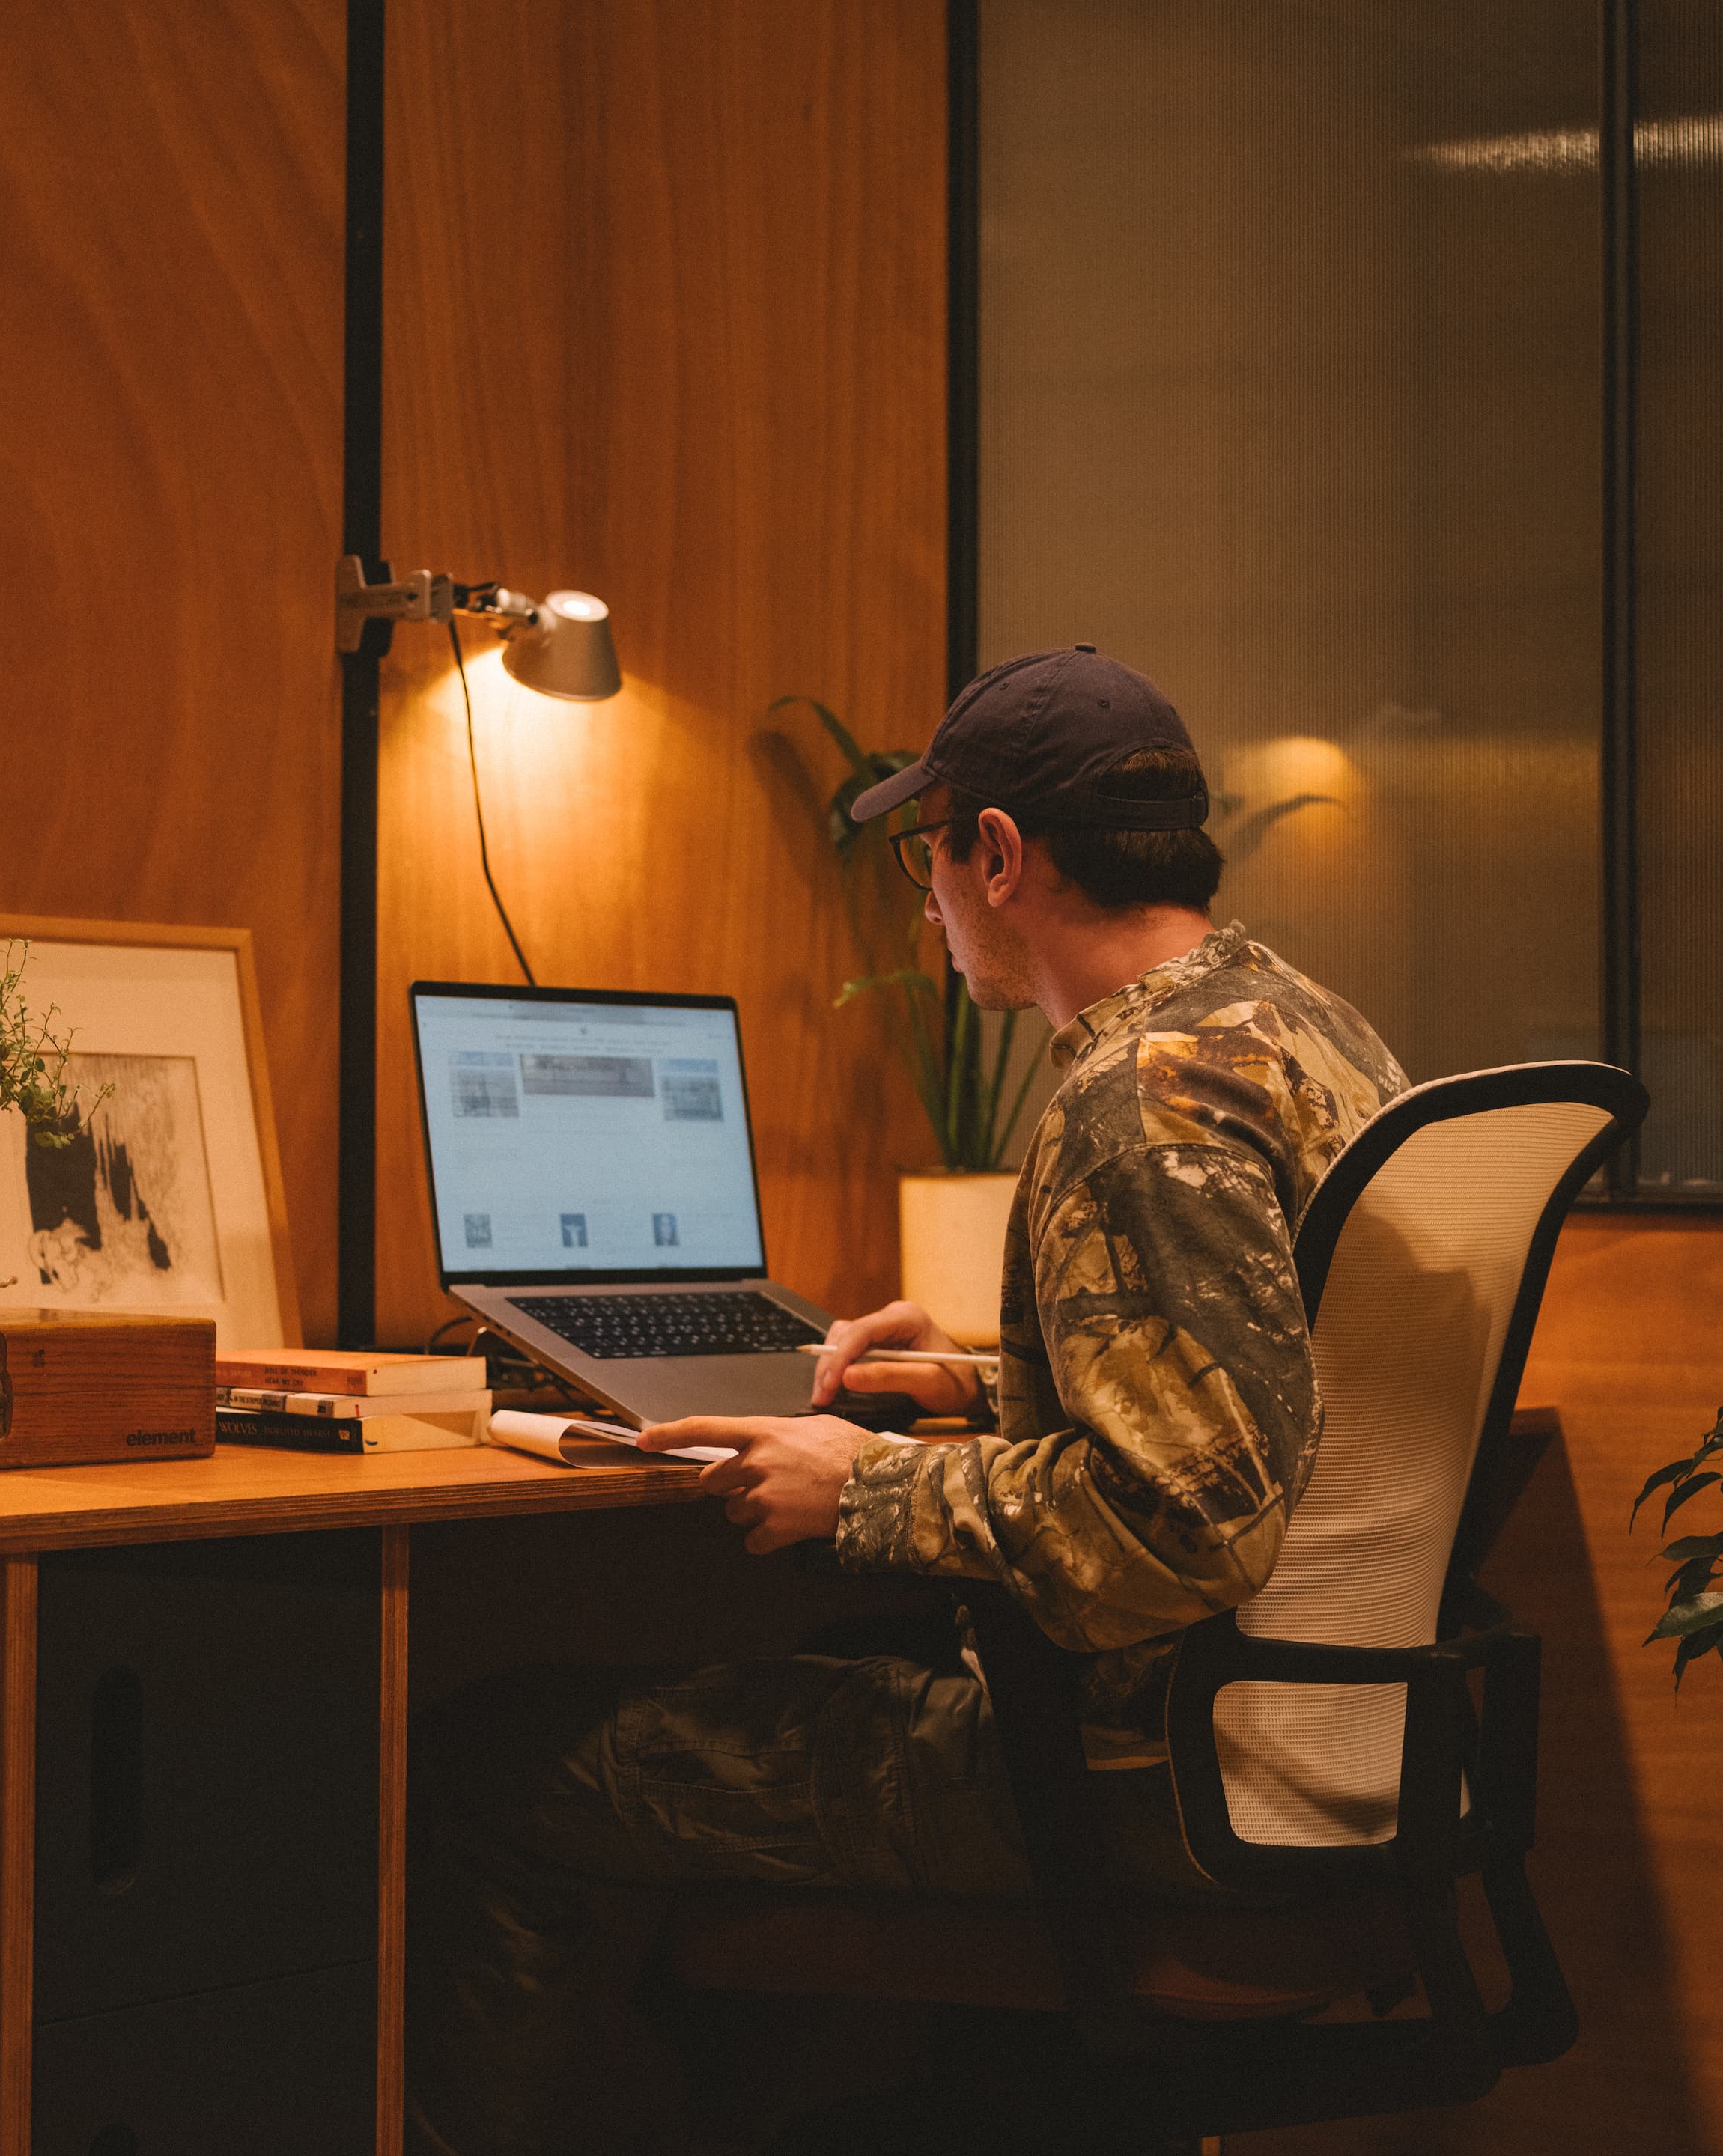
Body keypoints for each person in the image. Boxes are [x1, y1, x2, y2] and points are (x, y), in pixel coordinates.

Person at [407, 646, 1410, 2156]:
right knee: (806, 1664)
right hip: (1311, 1737)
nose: (926, 904)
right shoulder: (1300, 1030)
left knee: (493, 1765)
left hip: (1141, 1768)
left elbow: (1188, 1518)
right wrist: (985, 1376)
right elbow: (1277, 1385)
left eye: (925, 856)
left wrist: (863, 1485)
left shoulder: (1137, 1100)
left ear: (996, 855)